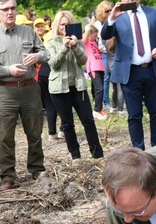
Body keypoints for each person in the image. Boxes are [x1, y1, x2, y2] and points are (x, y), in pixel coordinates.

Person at [0, 0, 49, 190]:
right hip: (5, 91)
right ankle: (8, 176)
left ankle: (37, 169)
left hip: (29, 89)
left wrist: (37, 56)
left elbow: (45, 52)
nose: (9, 12)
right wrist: (7, 70)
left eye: (12, 8)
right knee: (5, 136)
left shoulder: (28, 32)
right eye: (5, 9)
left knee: (34, 132)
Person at [101, 0, 156, 150]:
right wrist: (112, 17)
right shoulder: (118, 16)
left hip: (152, 70)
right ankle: (139, 153)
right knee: (134, 115)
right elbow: (105, 35)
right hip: (130, 73)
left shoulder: (153, 13)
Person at [46, 11, 104, 161]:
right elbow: (53, 64)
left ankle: (97, 154)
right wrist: (65, 48)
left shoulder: (77, 41)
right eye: (62, 24)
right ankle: (75, 156)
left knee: (88, 121)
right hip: (59, 89)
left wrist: (75, 46)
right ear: (57, 26)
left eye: (68, 24)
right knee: (67, 124)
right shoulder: (51, 43)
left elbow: (83, 60)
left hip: (78, 87)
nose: (65, 27)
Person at [34, 18, 60, 140]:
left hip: (43, 72)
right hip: (53, 72)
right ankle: (63, 130)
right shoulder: (55, 37)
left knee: (49, 104)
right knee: (61, 102)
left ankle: (51, 132)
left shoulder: (42, 39)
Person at [84, 24, 107, 120]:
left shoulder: (94, 42)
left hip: (100, 67)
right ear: (89, 34)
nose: (96, 37)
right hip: (93, 68)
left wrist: (99, 51)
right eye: (94, 35)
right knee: (100, 89)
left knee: (98, 89)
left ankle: (99, 107)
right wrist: (88, 30)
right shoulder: (86, 42)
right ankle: (96, 110)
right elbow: (84, 38)